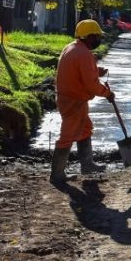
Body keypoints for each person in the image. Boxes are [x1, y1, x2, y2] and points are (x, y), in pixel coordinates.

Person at [51, 19, 114, 182]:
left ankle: (87, 165)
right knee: (67, 135)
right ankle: (57, 174)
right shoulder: (84, 54)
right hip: (74, 101)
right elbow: (92, 85)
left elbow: (80, 71)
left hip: (70, 97)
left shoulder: (72, 48)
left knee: (86, 129)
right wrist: (107, 93)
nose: (99, 40)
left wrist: (96, 70)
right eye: (97, 37)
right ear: (89, 36)